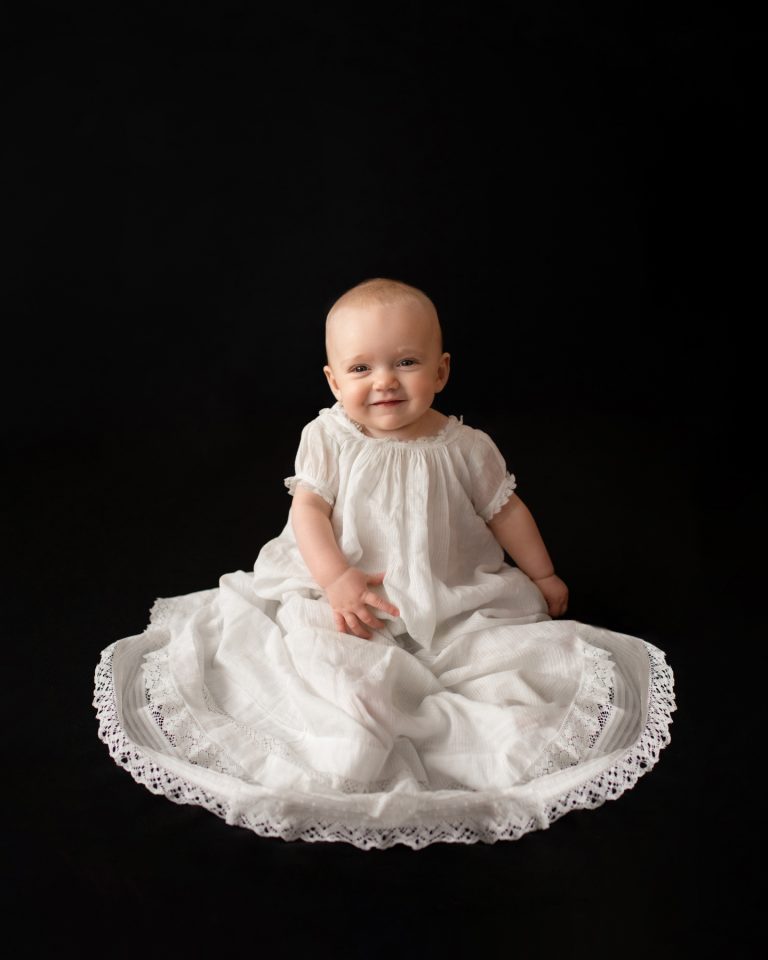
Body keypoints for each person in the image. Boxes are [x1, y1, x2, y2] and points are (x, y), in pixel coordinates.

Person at [93, 277, 676, 850]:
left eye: (406, 362)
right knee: (327, 662)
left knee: (510, 670)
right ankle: (347, 746)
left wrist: (543, 574)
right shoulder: (331, 437)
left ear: (441, 370)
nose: (385, 383)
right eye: (361, 368)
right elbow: (309, 514)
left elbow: (508, 513)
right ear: (332, 379)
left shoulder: (467, 448)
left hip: (448, 593)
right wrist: (337, 579)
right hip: (342, 592)